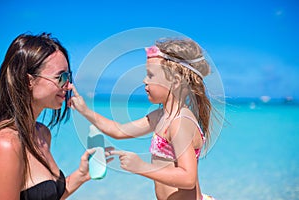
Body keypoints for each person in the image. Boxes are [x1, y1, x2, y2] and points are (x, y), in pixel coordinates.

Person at [70, 38, 216, 200]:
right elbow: (119, 130)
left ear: (175, 81)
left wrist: (142, 167)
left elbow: (188, 178)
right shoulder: (160, 116)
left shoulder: (180, 123)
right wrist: (84, 110)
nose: (144, 80)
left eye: (151, 75)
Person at [0, 33, 113, 200]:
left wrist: (81, 175)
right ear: (28, 80)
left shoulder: (42, 133)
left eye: (69, 77)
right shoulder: (7, 144)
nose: (69, 85)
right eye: (61, 77)